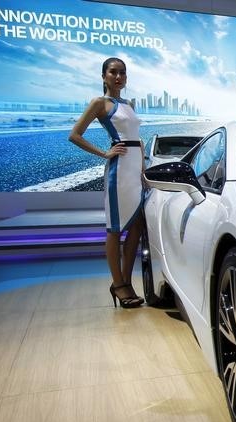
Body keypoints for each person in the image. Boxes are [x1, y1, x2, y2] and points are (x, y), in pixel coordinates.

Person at [69, 57, 145, 308]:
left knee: (135, 228)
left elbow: (137, 138)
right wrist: (104, 153)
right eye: (113, 72)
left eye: (122, 72)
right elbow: (75, 135)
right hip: (119, 171)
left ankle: (126, 281)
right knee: (115, 229)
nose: (118, 76)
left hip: (135, 170)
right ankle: (118, 283)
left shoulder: (128, 104)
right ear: (104, 76)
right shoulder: (99, 103)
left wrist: (143, 169)